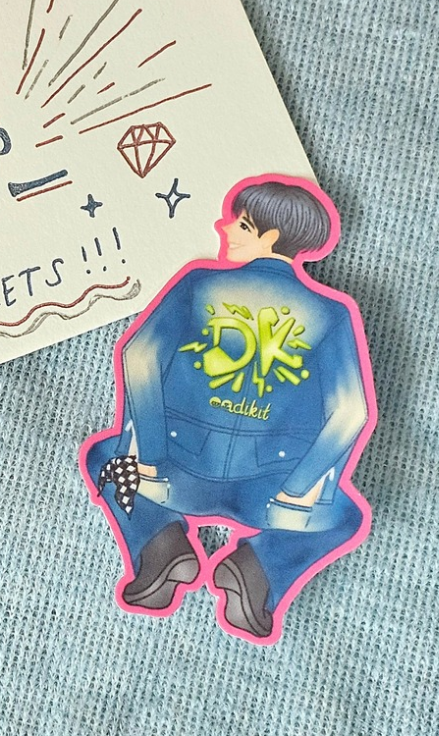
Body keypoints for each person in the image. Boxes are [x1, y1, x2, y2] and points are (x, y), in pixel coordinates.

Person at [81, 176, 375, 641]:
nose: (224, 227)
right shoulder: (331, 315)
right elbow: (351, 412)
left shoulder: (198, 284)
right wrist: (297, 491)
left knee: (103, 456)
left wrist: (150, 457)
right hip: (269, 494)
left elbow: (139, 358)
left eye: (241, 223)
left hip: (174, 475)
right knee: (346, 517)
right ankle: (257, 568)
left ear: (270, 236)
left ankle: (161, 545)